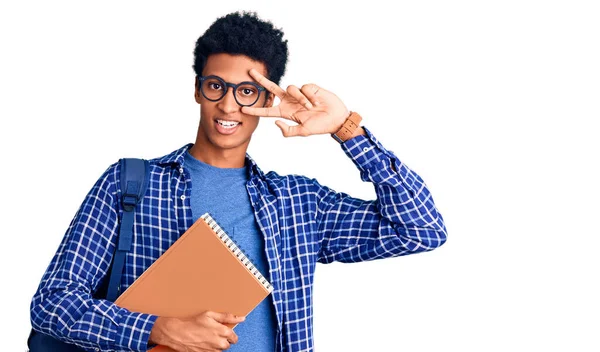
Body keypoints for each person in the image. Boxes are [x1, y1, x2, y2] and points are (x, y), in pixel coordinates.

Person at [29, 11, 447, 352]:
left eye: (247, 91)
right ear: (198, 90)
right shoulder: (131, 183)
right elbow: (53, 304)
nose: (228, 104)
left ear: (268, 99)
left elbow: (421, 229)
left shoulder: (297, 203)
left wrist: (346, 128)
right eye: (216, 86)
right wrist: (157, 329)